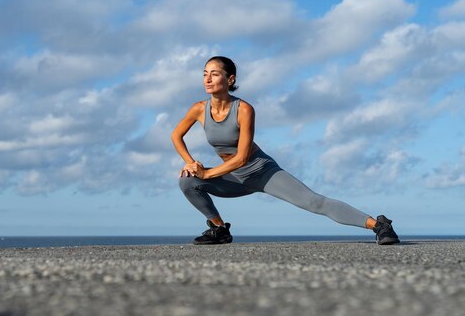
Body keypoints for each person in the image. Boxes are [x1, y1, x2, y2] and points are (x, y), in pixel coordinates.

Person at [171, 56, 400, 246]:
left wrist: (207, 173)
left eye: (215, 73)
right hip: (233, 178)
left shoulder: (244, 109)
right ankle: (219, 229)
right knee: (187, 181)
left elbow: (241, 158)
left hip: (262, 172)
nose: (208, 79)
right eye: (204, 73)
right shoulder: (199, 109)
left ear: (230, 79)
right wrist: (190, 163)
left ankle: (379, 225)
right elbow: (176, 135)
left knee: (314, 202)